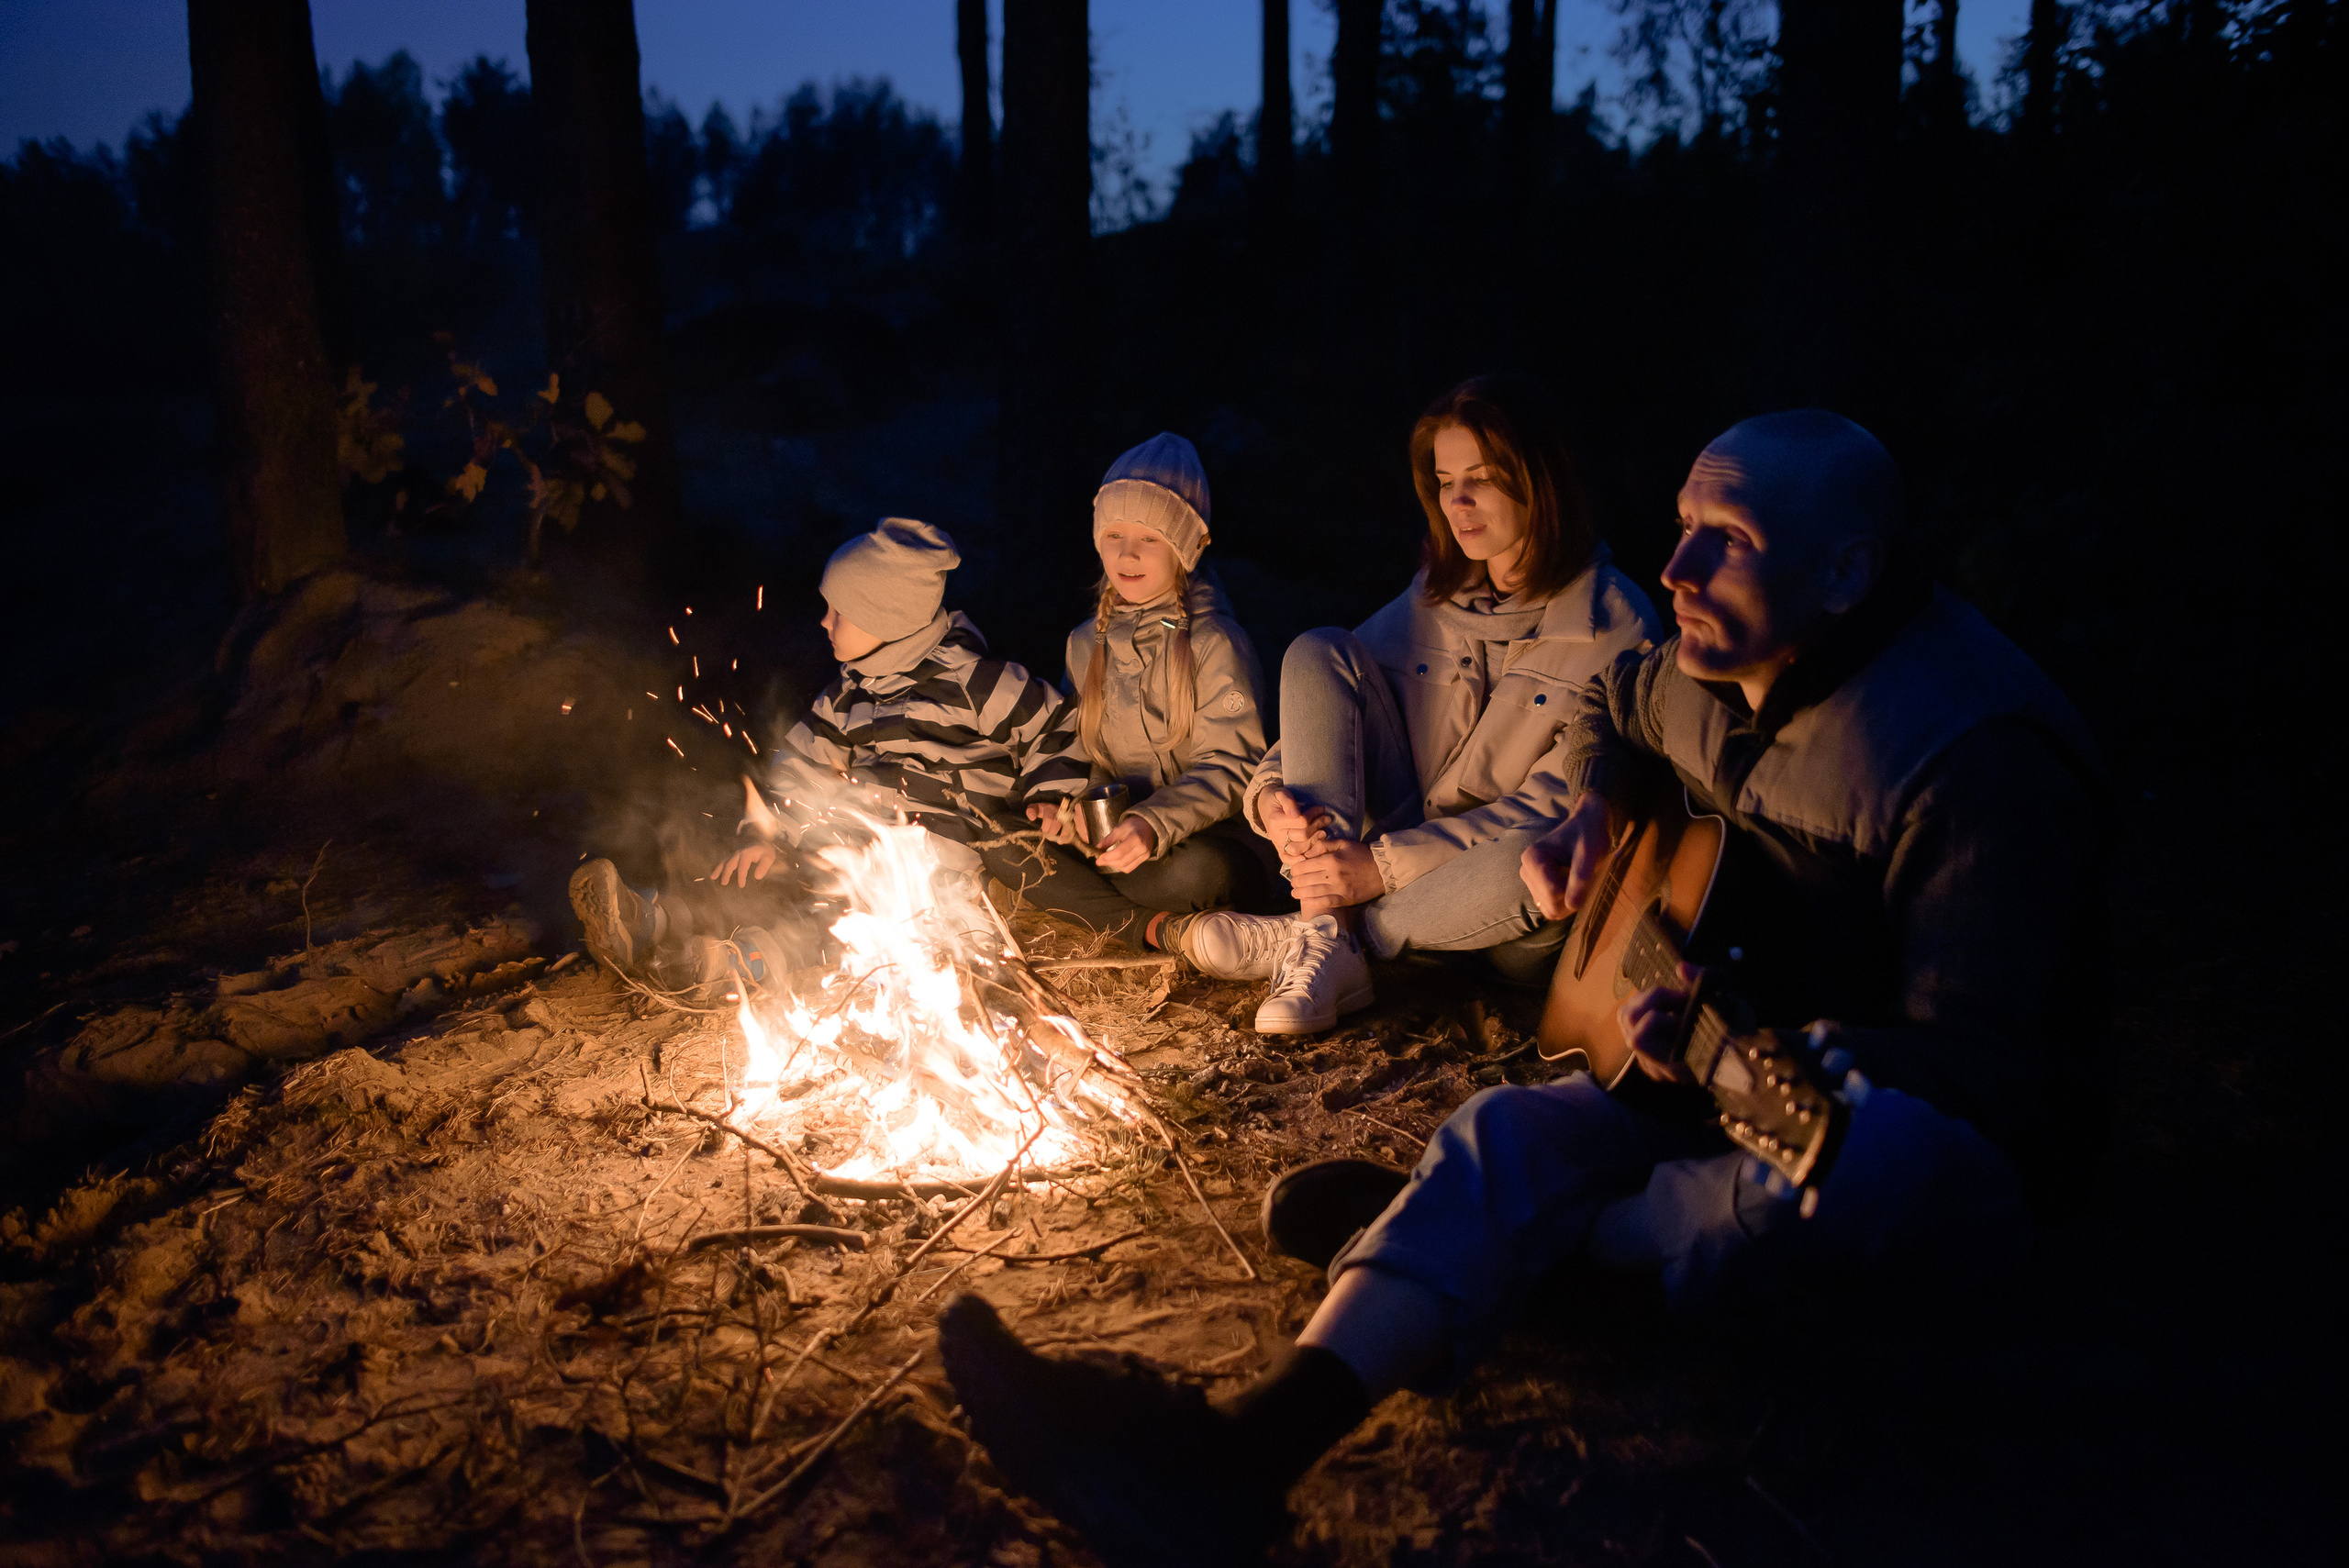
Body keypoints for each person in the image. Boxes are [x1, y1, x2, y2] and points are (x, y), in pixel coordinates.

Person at [934, 411, 2108, 1568]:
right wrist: (1600, 801)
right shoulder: (1709, 663)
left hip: (1881, 1132)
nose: (1676, 565)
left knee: (1876, 1156)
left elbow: (1989, 1075)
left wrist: (1770, 1042)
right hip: (1709, 1062)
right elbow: (1614, 702)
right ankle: (1237, 1455)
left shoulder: (1967, 757)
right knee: (1502, 1126)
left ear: (1847, 572)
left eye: (1728, 538)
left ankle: (1565, 1268)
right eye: (1684, 523)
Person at [1171, 374, 1661, 1032]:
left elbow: (1555, 805)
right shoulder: (1436, 593)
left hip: (1473, 878)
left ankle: (1323, 935)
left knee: (1534, 861)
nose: (1456, 500)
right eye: (1443, 481)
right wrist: (1268, 796)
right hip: (1386, 843)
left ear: (1538, 479)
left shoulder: (1615, 624)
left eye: (1480, 478)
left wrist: (1378, 868)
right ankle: (1329, 933)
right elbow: (1328, 704)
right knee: (1318, 647)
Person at [570, 517, 1090, 986]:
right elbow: (799, 768)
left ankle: (737, 966)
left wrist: (1050, 796)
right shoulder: (848, 696)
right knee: (762, 873)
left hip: (938, 864)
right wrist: (769, 832)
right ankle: (651, 919)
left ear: (887, 619)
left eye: (839, 613)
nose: (825, 622)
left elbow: (1058, 729)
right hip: (850, 840)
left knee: (846, 916)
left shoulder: (981, 684)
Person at [977, 433, 1277, 949]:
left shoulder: (1216, 642)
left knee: (1196, 876)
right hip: (1113, 845)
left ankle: (1079, 904)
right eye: (1115, 535)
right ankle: (1153, 927)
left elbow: (1234, 765)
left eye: (1151, 538)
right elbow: (1083, 756)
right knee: (1001, 839)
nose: (1128, 553)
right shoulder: (1083, 644)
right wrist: (1065, 815)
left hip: (1204, 843)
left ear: (1186, 549)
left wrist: (1152, 825)